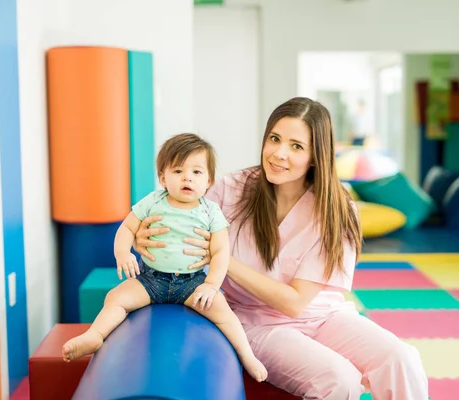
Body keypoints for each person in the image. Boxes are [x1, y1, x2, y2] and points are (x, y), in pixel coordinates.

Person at [135, 98, 429, 399]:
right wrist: (141, 235)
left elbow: (295, 302)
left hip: (324, 317)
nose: (279, 153)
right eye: (274, 139)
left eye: (296, 146)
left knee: (402, 359)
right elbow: (170, 210)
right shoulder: (229, 190)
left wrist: (222, 259)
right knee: (339, 380)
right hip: (254, 321)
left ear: (316, 156)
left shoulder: (337, 210)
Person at [62, 133, 268, 382]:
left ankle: (247, 355)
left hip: (192, 283)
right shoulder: (153, 201)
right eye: (178, 170)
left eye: (196, 172)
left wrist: (211, 285)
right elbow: (126, 228)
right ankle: (95, 335)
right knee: (115, 298)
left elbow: (220, 251)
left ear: (209, 181)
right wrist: (123, 252)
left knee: (223, 311)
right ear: (163, 178)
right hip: (151, 280)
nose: (187, 177)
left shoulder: (210, 211)